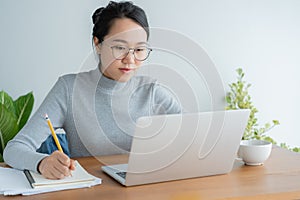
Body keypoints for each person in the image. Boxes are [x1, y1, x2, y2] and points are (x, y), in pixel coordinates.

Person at [3, 1, 181, 180]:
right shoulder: (69, 89)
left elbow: (193, 142)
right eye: (120, 47)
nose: (130, 59)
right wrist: (41, 163)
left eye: (140, 49)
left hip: (145, 187)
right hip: (90, 189)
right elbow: (14, 149)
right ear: (98, 44)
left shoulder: (153, 91)